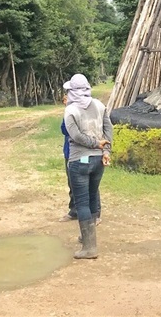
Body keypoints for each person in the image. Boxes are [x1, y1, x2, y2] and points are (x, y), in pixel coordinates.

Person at [63, 73, 112, 260]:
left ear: (72, 91)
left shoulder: (70, 111)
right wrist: (106, 150)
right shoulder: (100, 105)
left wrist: (94, 143)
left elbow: (75, 136)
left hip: (79, 161)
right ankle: (86, 238)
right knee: (92, 198)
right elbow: (108, 129)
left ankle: (89, 248)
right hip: (98, 161)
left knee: (81, 202)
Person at [60, 96, 101, 224]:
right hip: (71, 153)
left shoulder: (88, 113)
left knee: (90, 186)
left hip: (86, 153)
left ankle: (95, 215)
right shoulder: (70, 112)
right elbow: (64, 129)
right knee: (72, 183)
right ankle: (74, 211)